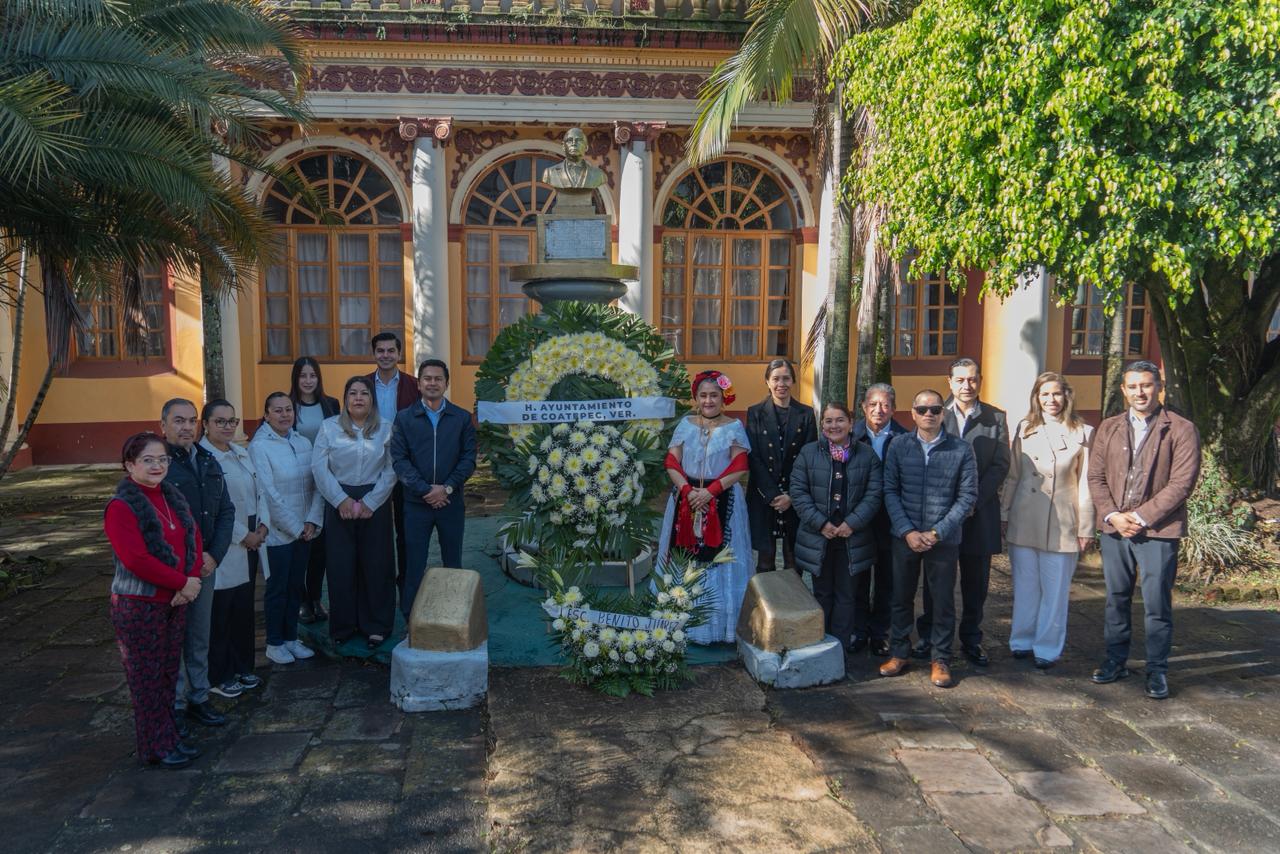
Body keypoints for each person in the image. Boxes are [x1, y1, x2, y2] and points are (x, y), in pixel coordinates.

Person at [1087, 361, 1202, 700]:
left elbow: (1182, 483)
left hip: (1158, 531)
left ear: (1159, 387)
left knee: (1156, 603)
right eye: (1133, 386)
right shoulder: (1107, 428)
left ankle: (1157, 670)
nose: (1140, 392)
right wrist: (1112, 515)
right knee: (1116, 599)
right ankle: (1115, 660)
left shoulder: (1181, 429)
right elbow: (1095, 477)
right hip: (1114, 530)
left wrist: (1138, 515)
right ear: (1123, 389)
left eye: (1147, 385)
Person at [104, 433, 204, 768]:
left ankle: (168, 735)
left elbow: (192, 535)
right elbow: (136, 559)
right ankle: (156, 747)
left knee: (166, 675)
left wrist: (190, 581)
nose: (157, 466)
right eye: (148, 460)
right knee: (146, 679)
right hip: (139, 604)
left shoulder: (171, 495)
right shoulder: (121, 507)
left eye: (162, 459)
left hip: (175, 600)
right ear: (130, 465)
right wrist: (181, 582)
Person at [880, 390, 978, 689]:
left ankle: (941, 658)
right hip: (905, 536)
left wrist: (937, 532)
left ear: (942, 413)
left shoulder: (961, 450)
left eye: (935, 409)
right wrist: (907, 531)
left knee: (942, 601)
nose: (929, 414)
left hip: (943, 539)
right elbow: (889, 490)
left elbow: (967, 497)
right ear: (913, 413)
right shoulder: (898, 445)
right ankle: (899, 652)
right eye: (922, 409)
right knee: (900, 597)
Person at [915, 358, 1010, 667]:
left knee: (976, 581)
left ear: (979, 381)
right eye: (960, 380)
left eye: (972, 380)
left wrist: (971, 503)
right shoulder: (936, 413)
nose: (966, 385)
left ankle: (971, 638)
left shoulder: (995, 417)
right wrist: (952, 508)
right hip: (941, 516)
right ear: (950, 382)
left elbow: (1000, 466)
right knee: (936, 581)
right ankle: (930, 635)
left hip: (978, 514)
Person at [1002, 373, 1095, 669]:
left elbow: (1086, 485)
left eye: (1056, 394)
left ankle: (1047, 648)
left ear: (1066, 396)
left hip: (1063, 522)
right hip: (1025, 517)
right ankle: (1022, 640)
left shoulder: (1083, 432)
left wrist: (1086, 527)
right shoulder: (1025, 429)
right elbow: (1014, 475)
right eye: (1044, 395)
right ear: (1036, 398)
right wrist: (1004, 515)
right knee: (1026, 586)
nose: (1051, 400)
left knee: (1054, 592)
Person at [657, 371, 753, 644]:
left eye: (714, 395)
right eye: (703, 395)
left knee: (720, 562)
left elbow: (740, 465)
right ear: (696, 398)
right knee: (685, 558)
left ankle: (717, 626)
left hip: (723, 498)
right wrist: (688, 492)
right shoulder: (685, 425)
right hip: (686, 499)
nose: (709, 400)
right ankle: (679, 619)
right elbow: (672, 462)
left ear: (723, 397)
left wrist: (710, 492)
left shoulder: (734, 426)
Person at [159, 398, 233, 730]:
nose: (187, 427)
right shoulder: (159, 466)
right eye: (178, 421)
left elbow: (226, 510)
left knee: (199, 636)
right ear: (163, 426)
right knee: (172, 640)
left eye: (191, 420)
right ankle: (173, 705)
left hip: (205, 567)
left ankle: (198, 698)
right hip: (174, 571)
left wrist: (214, 554)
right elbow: (154, 523)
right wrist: (182, 565)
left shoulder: (207, 460)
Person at [789, 402, 883, 652]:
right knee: (822, 594)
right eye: (828, 421)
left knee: (846, 595)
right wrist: (821, 523)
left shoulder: (867, 455)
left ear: (851, 423)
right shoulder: (809, 453)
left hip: (853, 539)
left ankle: (839, 649)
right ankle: (820, 645)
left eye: (840, 420)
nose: (834, 426)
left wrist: (852, 523)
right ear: (822, 425)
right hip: (819, 537)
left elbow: (874, 494)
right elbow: (798, 492)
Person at [312, 376, 397, 649]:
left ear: (372, 400)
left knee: (377, 564)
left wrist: (371, 501)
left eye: (364, 393)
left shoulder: (385, 428)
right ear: (345, 398)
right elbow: (319, 467)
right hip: (339, 499)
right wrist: (340, 500)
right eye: (352, 393)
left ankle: (377, 625)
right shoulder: (329, 428)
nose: (358, 398)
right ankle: (343, 626)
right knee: (341, 565)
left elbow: (392, 468)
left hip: (376, 501)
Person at [390, 359, 476, 617]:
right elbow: (399, 460)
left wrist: (447, 488)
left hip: (451, 504)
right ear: (419, 384)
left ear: (446, 383)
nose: (432, 383)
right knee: (414, 565)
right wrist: (426, 491)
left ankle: (454, 617)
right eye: (427, 378)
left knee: (453, 563)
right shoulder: (404, 418)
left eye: (438, 379)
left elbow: (469, 458)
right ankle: (411, 620)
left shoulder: (461, 418)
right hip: (417, 505)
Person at [198, 400, 269, 699]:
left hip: (253, 537)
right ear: (206, 424)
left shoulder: (241, 453)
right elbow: (212, 508)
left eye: (231, 421)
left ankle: (243, 667)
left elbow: (260, 491)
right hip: (227, 542)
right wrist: (244, 536)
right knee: (221, 612)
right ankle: (220, 673)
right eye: (220, 421)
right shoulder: (203, 459)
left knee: (243, 609)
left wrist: (263, 527)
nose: (227, 427)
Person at [249, 392, 323, 665]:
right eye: (277, 411)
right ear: (266, 415)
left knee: (295, 587)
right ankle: (274, 643)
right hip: (279, 533)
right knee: (277, 588)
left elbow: (317, 483)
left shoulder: (303, 442)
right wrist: (294, 527)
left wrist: (312, 521)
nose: (284, 415)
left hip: (305, 529)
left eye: (288, 410)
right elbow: (268, 494)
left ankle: (291, 638)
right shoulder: (259, 447)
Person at [850, 383, 908, 655]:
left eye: (885, 405)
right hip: (859, 519)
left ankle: (880, 633)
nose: (878, 410)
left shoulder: (905, 438)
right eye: (872, 404)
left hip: (891, 521)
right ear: (863, 408)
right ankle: (858, 630)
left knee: (887, 580)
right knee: (859, 578)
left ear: (894, 409)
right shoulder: (851, 437)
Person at [745, 359, 817, 575]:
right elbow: (753, 456)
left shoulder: (806, 414)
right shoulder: (755, 412)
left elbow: (809, 458)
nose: (781, 383)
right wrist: (773, 495)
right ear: (767, 382)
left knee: (793, 562)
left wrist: (791, 496)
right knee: (765, 561)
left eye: (786, 378)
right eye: (776, 379)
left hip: (795, 498)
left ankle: (795, 607)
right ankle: (766, 608)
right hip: (764, 495)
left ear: (793, 381)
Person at [367, 332, 420, 595]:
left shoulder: (414, 385)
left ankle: (407, 586)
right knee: (375, 533)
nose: (385, 355)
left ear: (399, 354)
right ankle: (378, 586)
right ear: (373, 354)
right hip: (371, 468)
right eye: (380, 350)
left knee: (405, 531)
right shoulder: (361, 385)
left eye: (391, 350)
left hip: (405, 469)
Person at [289, 356, 340, 626]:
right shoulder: (287, 406)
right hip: (296, 481)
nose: (308, 381)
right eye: (303, 376)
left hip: (325, 481)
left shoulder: (331, 405)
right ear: (296, 379)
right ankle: (300, 601)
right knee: (301, 543)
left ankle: (316, 598)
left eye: (313, 375)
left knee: (321, 544)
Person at [541, 127, 607, 191]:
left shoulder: (599, 175)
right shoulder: (550, 173)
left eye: (578, 140)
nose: (573, 143)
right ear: (563, 147)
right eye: (569, 140)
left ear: (586, 147)